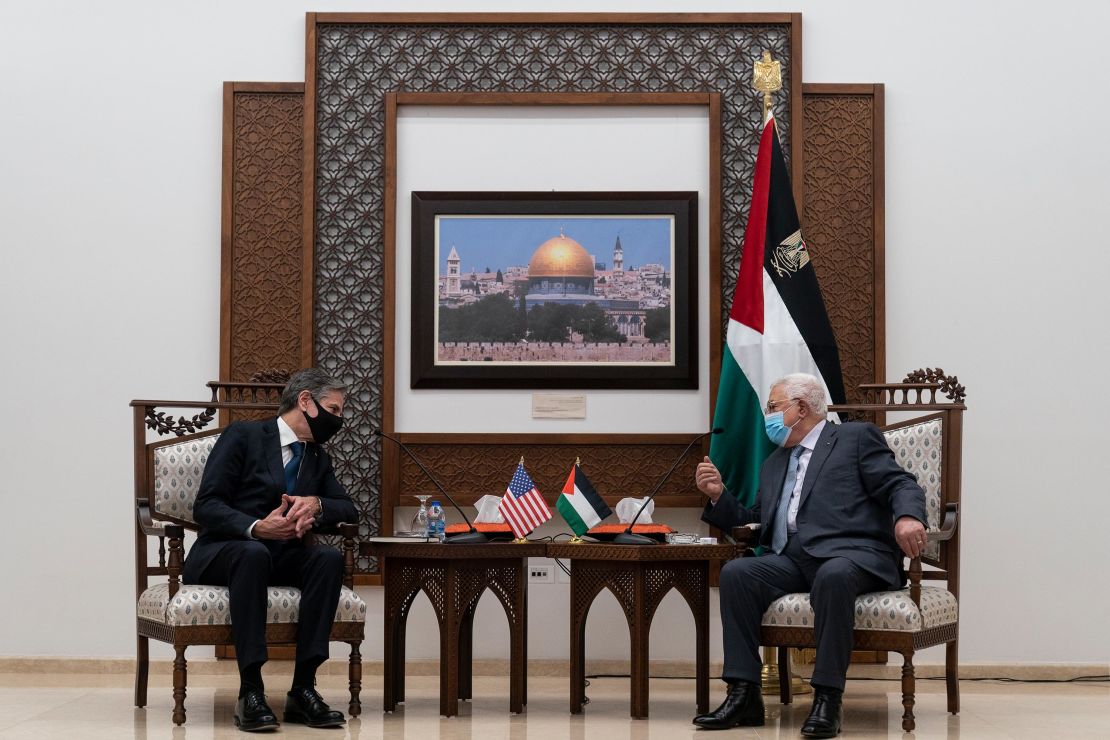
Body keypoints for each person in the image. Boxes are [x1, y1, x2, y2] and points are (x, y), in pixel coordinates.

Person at [693, 373, 927, 738]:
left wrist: (909, 517)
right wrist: (718, 496)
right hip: (791, 559)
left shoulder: (854, 438)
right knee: (737, 573)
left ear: (800, 408)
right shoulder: (774, 463)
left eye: (773, 407)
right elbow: (756, 523)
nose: (767, 415)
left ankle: (828, 698)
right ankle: (744, 693)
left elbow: (900, 483)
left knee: (832, 575)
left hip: (852, 555)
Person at [182, 368, 358, 732]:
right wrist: (256, 527)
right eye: (334, 409)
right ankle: (250, 691)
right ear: (306, 401)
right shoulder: (243, 436)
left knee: (326, 558)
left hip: (279, 555)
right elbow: (207, 505)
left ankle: (303, 690)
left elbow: (348, 509)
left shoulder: (316, 457)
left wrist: (315, 505)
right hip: (224, 552)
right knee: (253, 553)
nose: (338, 419)